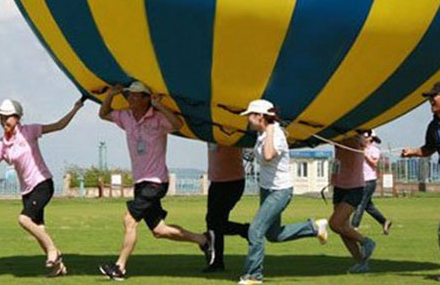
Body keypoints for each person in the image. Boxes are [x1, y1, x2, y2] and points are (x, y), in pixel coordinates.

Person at [98, 82, 214, 281]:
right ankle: (203, 240)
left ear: (146, 99)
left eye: (136, 95)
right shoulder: (125, 116)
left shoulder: (158, 118)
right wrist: (110, 95)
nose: (131, 98)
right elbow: (103, 114)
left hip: (156, 181)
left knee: (129, 220)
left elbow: (178, 125)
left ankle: (119, 268)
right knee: (159, 230)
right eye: (130, 95)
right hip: (140, 182)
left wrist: (159, 105)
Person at [0, 98, 84, 277]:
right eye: (1, 118)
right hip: (27, 190)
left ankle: (53, 252)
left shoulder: (30, 131)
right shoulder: (1, 144)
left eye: (7, 117)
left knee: (24, 219)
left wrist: (75, 109)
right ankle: (59, 267)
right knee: (39, 230)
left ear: (17, 117)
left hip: (43, 183)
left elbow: (58, 126)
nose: (3, 121)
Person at [238, 99, 328, 285]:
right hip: (267, 190)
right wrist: (267, 131)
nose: (247, 119)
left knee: (255, 230)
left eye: (250, 116)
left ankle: (253, 276)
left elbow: (268, 155)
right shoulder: (262, 134)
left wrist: (271, 130)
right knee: (273, 235)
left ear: (260, 116)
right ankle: (313, 228)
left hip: (280, 191)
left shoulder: (276, 134)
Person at [401, 80, 440, 281]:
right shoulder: (433, 126)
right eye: (429, 98)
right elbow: (429, 148)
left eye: (434, 97)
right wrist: (412, 152)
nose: (430, 101)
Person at [330, 135, 376, 273]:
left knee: (335, 224)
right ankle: (361, 263)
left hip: (354, 188)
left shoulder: (357, 140)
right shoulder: (340, 136)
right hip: (339, 186)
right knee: (343, 228)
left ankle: (365, 242)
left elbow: (359, 143)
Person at [205, 144, 249, 272]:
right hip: (216, 182)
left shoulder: (231, 134)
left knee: (214, 222)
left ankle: (246, 230)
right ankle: (217, 262)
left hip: (233, 182)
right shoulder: (209, 135)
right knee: (213, 222)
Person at [352, 130, 391, 234]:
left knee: (360, 203)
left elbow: (374, 163)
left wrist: (366, 155)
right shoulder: (358, 149)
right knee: (368, 206)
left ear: (370, 139)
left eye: (364, 137)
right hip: (360, 180)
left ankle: (354, 227)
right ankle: (384, 221)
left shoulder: (374, 150)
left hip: (369, 181)